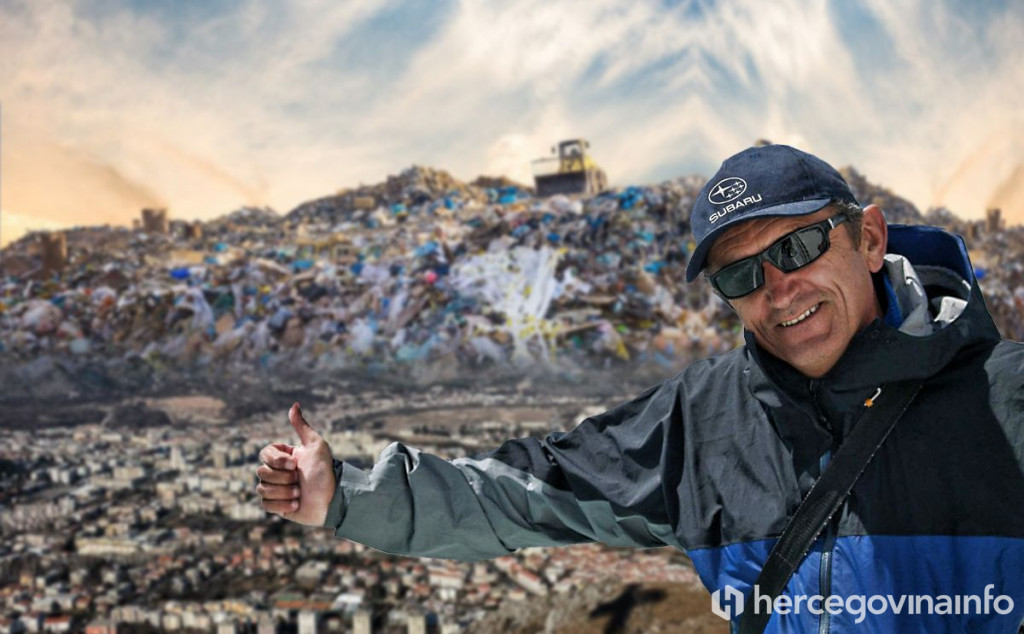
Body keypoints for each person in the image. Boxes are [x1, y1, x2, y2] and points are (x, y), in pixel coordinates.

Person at [256, 145, 1024, 632]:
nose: (780, 289)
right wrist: (346, 495)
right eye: (741, 273)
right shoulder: (706, 423)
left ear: (872, 236)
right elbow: (532, 490)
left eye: (799, 245)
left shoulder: (1005, 401)